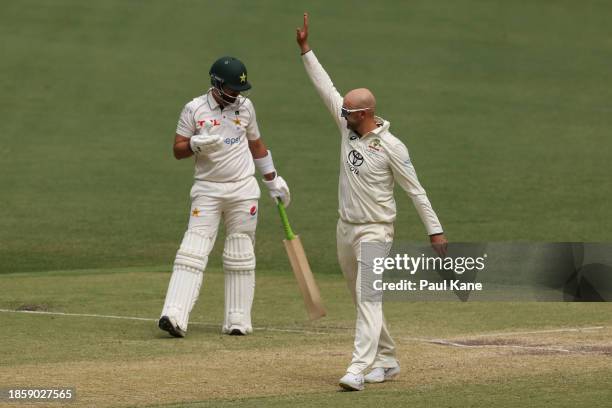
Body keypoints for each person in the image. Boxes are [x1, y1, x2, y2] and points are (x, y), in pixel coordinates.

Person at [295, 13, 448, 391]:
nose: (342, 113)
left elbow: (416, 190)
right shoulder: (347, 128)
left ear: (364, 114)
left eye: (348, 111)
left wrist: (436, 232)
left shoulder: (392, 148)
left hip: (376, 230)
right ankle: (387, 359)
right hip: (344, 228)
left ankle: (357, 369)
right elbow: (326, 89)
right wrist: (305, 50)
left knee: (368, 298)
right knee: (362, 298)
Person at [158, 56, 290, 337]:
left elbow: (256, 144)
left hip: (243, 189)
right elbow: (177, 149)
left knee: (240, 251)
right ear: (216, 85)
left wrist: (273, 180)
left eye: (239, 90)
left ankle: (237, 320)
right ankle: (174, 315)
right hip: (207, 189)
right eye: (231, 89)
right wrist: (195, 144)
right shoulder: (193, 109)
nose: (236, 95)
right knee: (192, 250)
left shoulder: (246, 108)